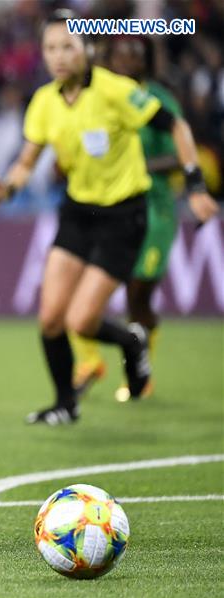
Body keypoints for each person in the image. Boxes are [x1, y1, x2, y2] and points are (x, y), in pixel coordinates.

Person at [0, 10, 218, 425]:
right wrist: (8, 187)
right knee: (51, 318)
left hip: (123, 216)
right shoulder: (44, 101)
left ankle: (131, 341)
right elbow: (26, 162)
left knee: (81, 321)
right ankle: (65, 404)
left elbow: (178, 127)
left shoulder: (117, 91)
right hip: (78, 213)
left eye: (67, 47)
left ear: (88, 49)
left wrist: (196, 186)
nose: (58, 57)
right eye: (50, 48)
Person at [70, 36, 193, 402]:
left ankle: (140, 371)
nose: (128, 62)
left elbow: (178, 153)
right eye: (122, 55)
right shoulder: (98, 96)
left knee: (138, 294)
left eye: (136, 56)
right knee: (76, 288)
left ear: (146, 61)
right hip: (106, 206)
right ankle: (90, 362)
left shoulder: (158, 100)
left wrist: (134, 164)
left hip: (155, 209)